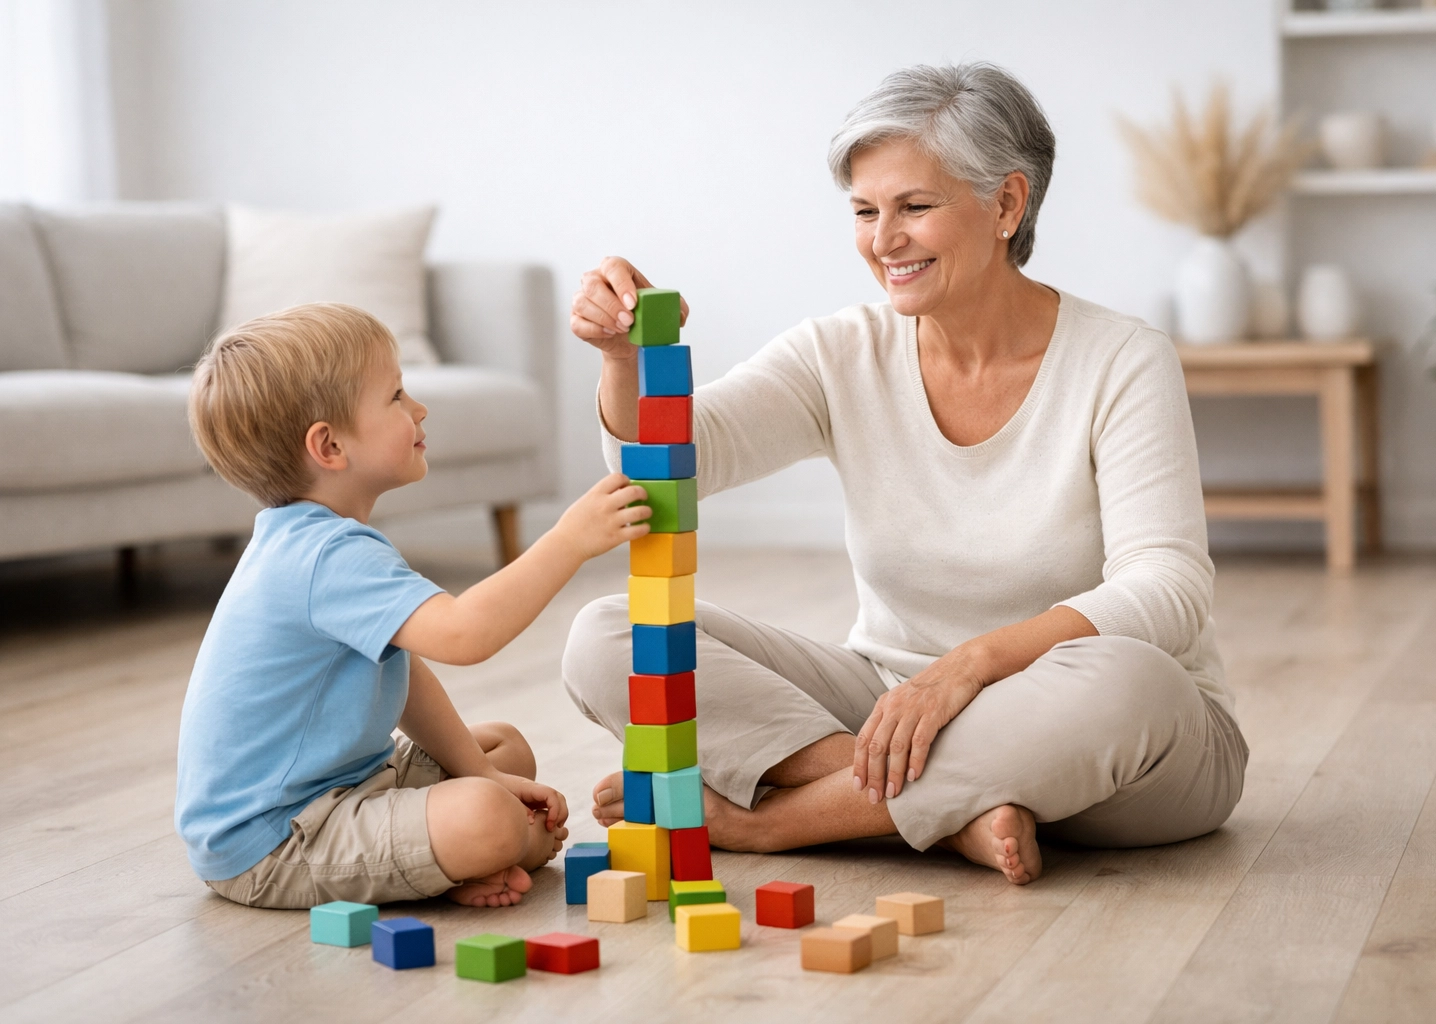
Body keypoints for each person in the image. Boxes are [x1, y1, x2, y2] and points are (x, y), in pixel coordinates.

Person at [562, 63, 1248, 885]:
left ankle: (779, 823)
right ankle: (942, 814)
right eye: (864, 211)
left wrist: (971, 665)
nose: (883, 241)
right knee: (610, 632)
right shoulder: (839, 353)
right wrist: (620, 361)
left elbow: (1168, 590)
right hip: (894, 705)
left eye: (915, 207)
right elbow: (674, 462)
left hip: (1116, 742)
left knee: (1132, 679)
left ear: (1006, 205)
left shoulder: (1122, 359)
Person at [175, 302, 652, 909]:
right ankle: (464, 859)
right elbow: (464, 635)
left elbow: (402, 674)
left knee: (500, 749)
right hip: (276, 841)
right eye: (396, 395)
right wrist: (568, 540)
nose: (419, 408)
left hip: (348, 785)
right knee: (489, 817)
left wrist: (484, 773)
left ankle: (460, 855)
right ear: (329, 445)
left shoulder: (312, 540)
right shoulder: (326, 557)